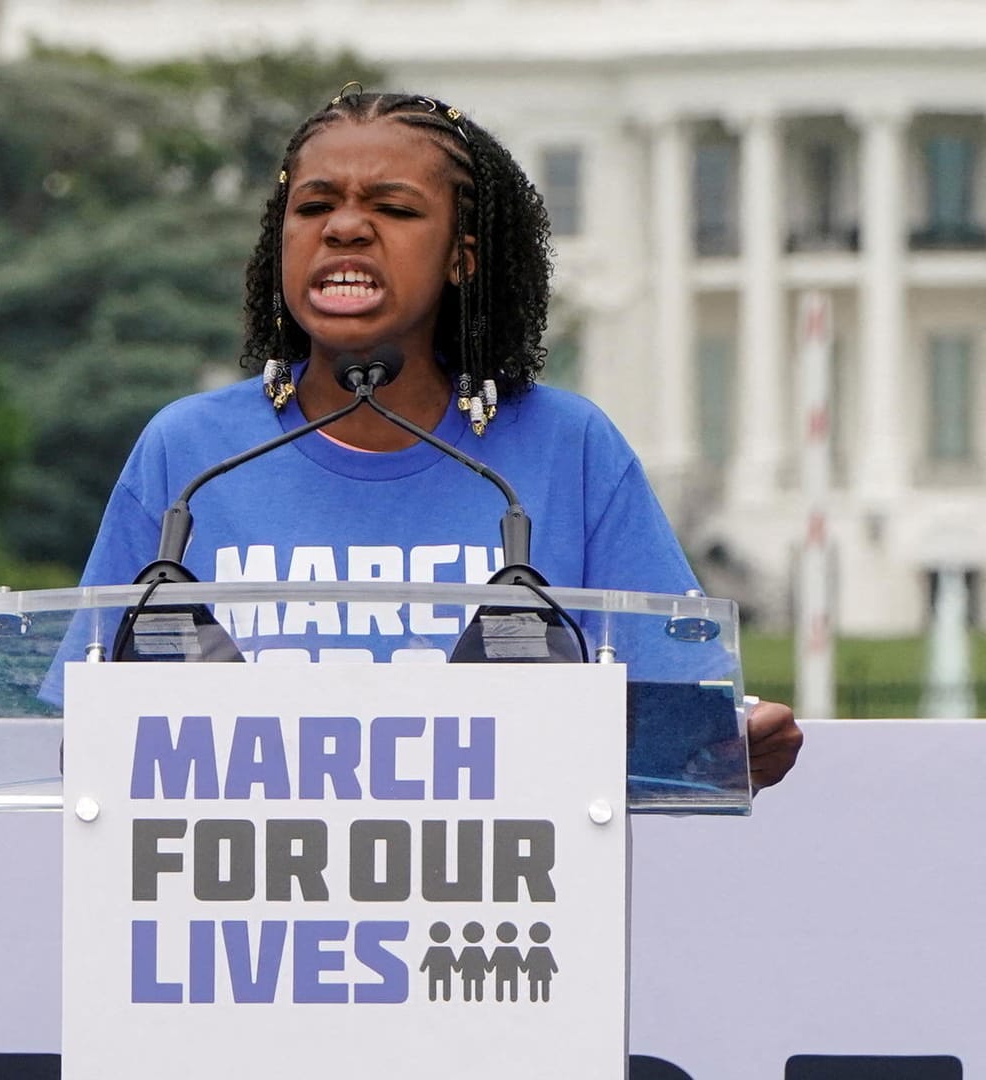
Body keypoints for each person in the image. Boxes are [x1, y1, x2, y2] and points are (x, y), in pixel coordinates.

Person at [77, 88, 801, 791]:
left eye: (393, 208)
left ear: (463, 257)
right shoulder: (190, 453)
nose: (346, 228)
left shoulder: (567, 449)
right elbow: (80, 727)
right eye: (315, 206)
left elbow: (672, 717)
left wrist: (725, 743)